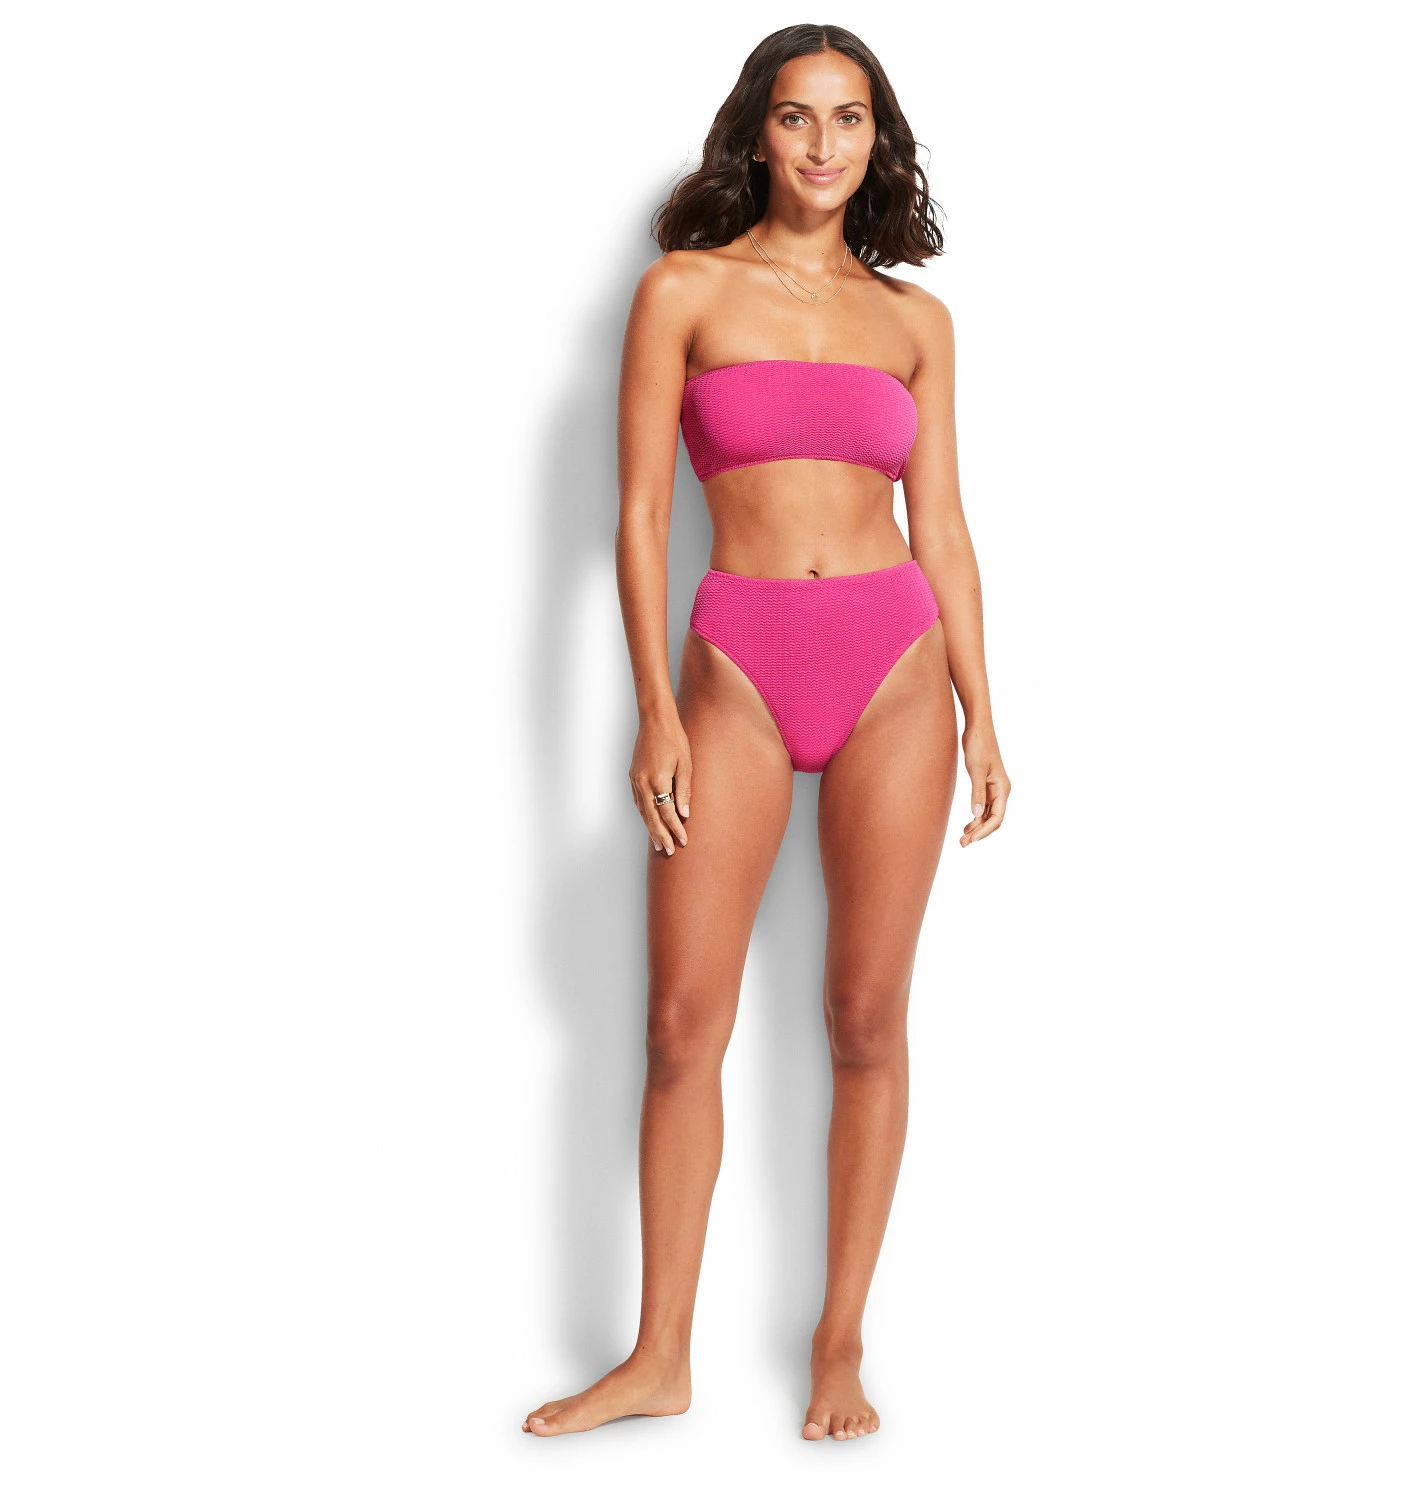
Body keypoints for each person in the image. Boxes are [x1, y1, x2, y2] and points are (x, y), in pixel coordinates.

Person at [524, 22, 1010, 1441]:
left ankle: (839, 1346)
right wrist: (652, 709)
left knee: (866, 1018)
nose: (821, 145)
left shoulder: (915, 324)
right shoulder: (682, 289)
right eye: (796, 117)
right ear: (757, 131)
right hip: (735, 663)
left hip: (896, 664)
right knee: (682, 1025)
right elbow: (635, 517)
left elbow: (946, 529)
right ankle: (658, 1356)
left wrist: (986, 709)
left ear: (877, 141)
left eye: (849, 119)